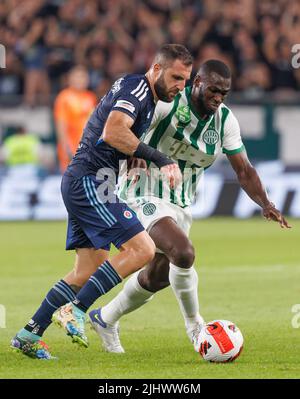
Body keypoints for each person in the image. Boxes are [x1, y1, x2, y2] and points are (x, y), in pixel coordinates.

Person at [88, 59, 291, 354]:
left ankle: (105, 318)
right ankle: (196, 328)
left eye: (224, 92)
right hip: (140, 193)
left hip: (180, 204)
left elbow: (244, 170)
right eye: (213, 90)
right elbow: (122, 130)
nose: (218, 98)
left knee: (157, 275)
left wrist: (266, 203)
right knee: (183, 253)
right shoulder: (168, 103)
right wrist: (131, 152)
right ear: (197, 83)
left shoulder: (225, 120)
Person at [11, 44, 193, 359]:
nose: (181, 87)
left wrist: (133, 157)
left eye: (185, 81)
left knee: (87, 270)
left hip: (90, 180)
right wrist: (159, 159)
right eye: (177, 77)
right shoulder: (138, 87)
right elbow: (112, 132)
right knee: (143, 249)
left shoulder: (144, 95)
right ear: (157, 69)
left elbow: (118, 136)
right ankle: (77, 310)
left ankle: (29, 333)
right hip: (91, 181)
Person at [53, 65, 97, 172]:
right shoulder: (64, 97)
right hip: (71, 151)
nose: (80, 80)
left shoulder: (91, 97)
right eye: (77, 77)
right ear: (69, 79)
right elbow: (61, 125)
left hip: (88, 150)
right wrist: (67, 149)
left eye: (83, 77)